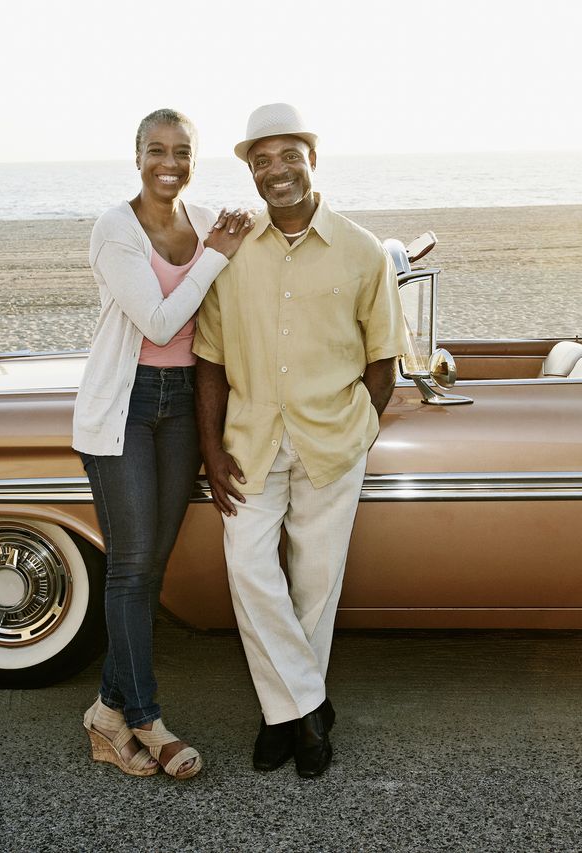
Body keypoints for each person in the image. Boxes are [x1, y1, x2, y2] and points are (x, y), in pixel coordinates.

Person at [193, 103, 408, 778]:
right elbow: (207, 359)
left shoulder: (361, 249)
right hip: (249, 442)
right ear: (251, 171)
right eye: (262, 160)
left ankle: (279, 715)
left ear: (312, 160)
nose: (276, 171)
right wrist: (210, 446)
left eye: (289, 156)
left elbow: (383, 360)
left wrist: (360, 426)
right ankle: (308, 709)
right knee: (250, 570)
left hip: (331, 442)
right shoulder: (233, 254)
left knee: (316, 582)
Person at [72, 108, 251, 780]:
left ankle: (107, 714)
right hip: (127, 404)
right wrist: (215, 258)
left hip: (184, 407)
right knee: (130, 564)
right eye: (156, 150)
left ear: (194, 157)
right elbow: (158, 316)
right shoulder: (116, 228)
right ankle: (146, 717)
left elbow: (249, 279)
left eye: (181, 150)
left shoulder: (205, 221)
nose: (168, 162)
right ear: (137, 155)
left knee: (151, 567)